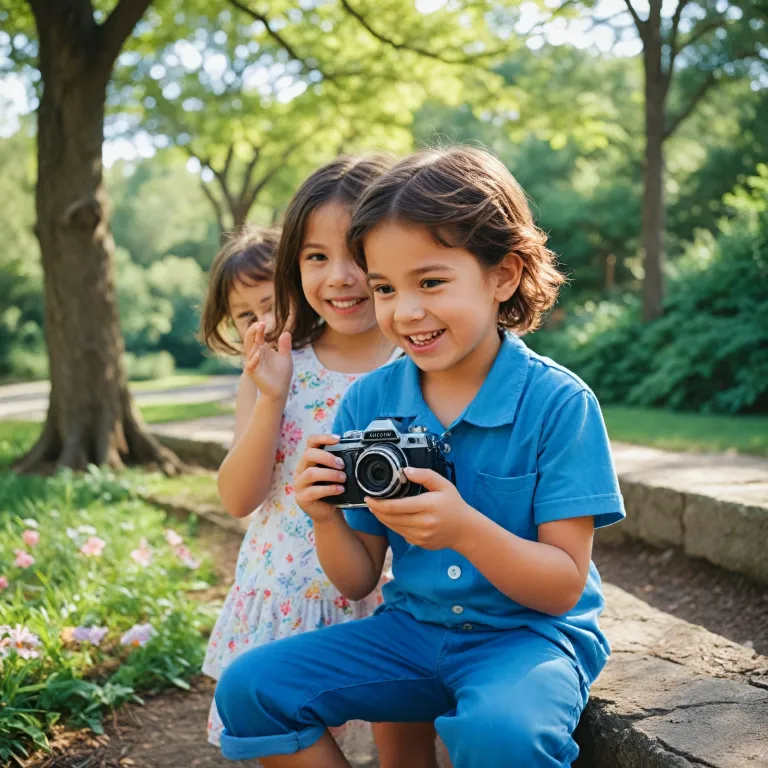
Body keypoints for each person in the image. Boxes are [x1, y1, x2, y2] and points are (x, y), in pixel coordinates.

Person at [213, 146, 625, 767]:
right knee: (250, 688)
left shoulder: (559, 404)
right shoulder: (367, 403)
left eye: (431, 281)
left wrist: (463, 528)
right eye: (385, 288)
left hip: (527, 639)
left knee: (503, 734)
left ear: (504, 274)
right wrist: (324, 516)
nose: (405, 311)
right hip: (410, 633)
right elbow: (356, 578)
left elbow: (564, 587)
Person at [202, 157, 440, 767]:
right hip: (287, 586)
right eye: (314, 257)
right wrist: (272, 397)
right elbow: (237, 498)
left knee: (405, 755)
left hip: (393, 595)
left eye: (358, 255)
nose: (340, 277)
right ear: (293, 267)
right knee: (278, 727)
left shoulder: (423, 361)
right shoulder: (280, 365)